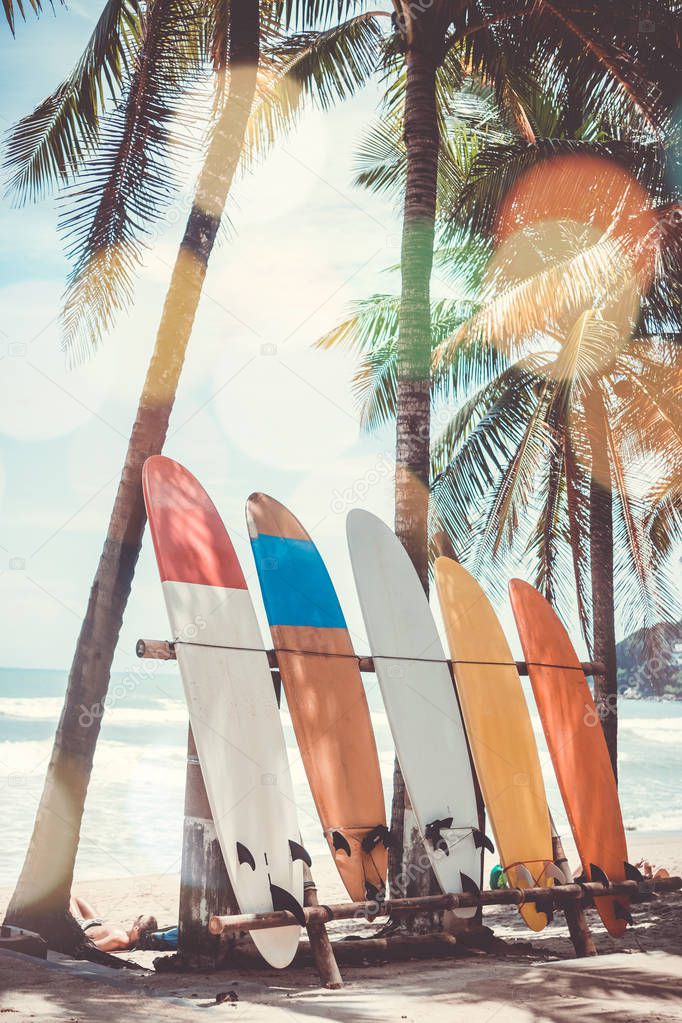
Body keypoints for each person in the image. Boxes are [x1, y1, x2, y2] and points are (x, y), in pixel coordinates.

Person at [69, 894, 158, 953]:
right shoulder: (127, 938)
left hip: (84, 926)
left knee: (69, 898)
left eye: (139, 917)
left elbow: (89, 948)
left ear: (136, 929)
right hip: (99, 922)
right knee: (79, 899)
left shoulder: (119, 939)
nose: (135, 918)